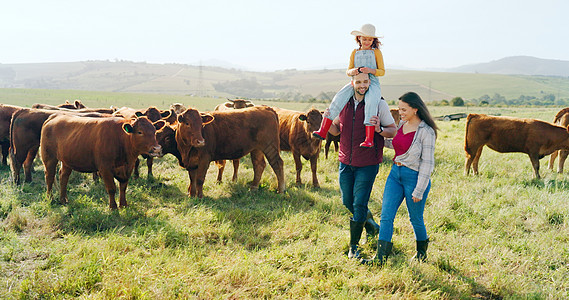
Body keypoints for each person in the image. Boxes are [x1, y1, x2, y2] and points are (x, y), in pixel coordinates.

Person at [362, 91, 438, 266]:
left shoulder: (427, 132)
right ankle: (380, 258)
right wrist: (378, 132)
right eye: (400, 108)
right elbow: (395, 144)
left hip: (415, 178)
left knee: (415, 218)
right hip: (395, 175)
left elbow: (427, 164)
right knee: (386, 216)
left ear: (415, 109)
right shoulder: (402, 124)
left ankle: (421, 253)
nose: (400, 112)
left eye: (404, 109)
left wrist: (419, 189)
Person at [327, 72, 396, 259]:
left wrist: (379, 129)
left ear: (371, 83)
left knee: (359, 204)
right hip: (345, 161)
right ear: (352, 83)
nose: (362, 85)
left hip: (367, 163)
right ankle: (371, 225)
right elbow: (335, 130)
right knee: (346, 201)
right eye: (359, 82)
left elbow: (392, 131)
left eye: (366, 81)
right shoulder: (343, 103)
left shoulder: (379, 104)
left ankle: (354, 247)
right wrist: (325, 120)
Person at [314, 23, 385, 148]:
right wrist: (353, 71)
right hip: (355, 81)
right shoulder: (354, 52)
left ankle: (369, 139)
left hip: (372, 82)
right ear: (359, 38)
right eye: (364, 39)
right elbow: (348, 71)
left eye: (369, 39)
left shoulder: (376, 52)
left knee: (371, 102)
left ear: (373, 40)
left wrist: (371, 70)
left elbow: (382, 71)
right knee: (338, 98)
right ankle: (323, 130)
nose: (367, 41)